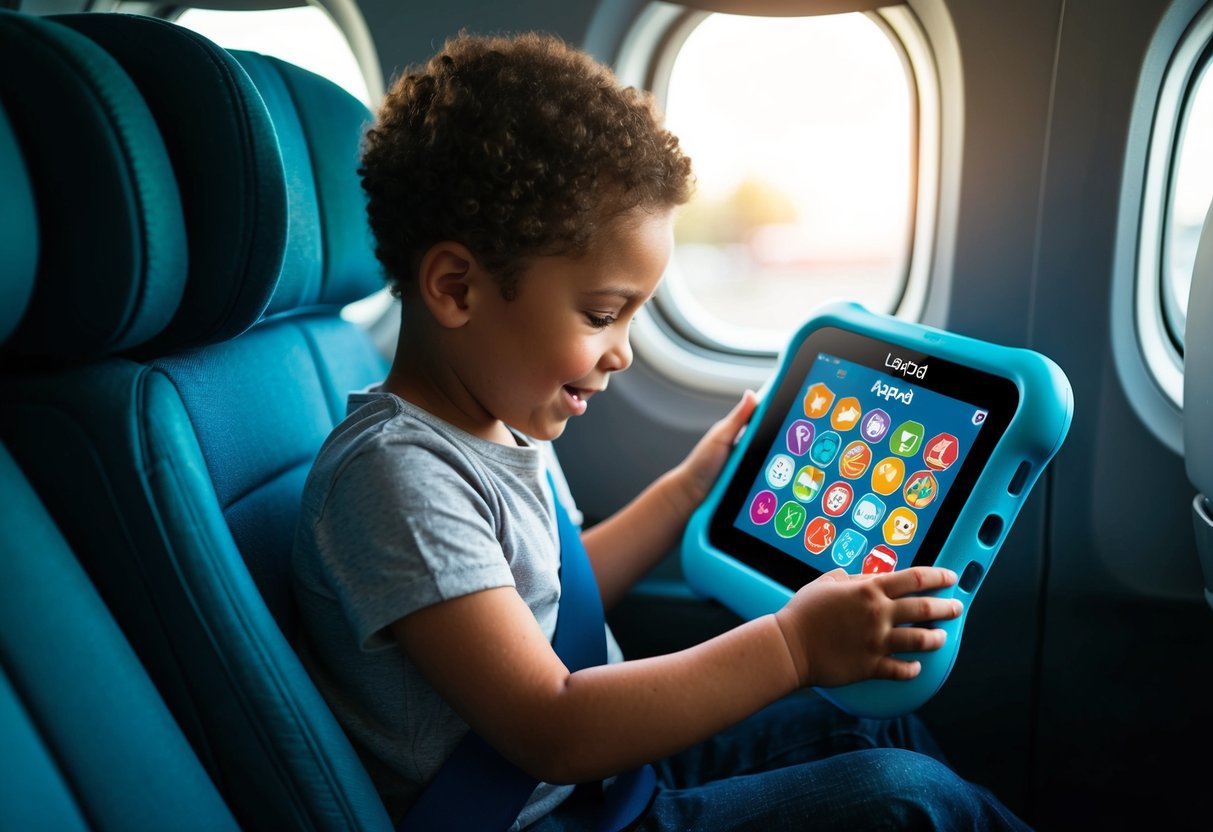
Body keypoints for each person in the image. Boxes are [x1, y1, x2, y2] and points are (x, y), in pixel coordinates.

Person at [292, 30, 1032, 831]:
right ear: (456, 288)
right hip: (544, 809)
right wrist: (792, 648)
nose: (624, 352)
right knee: (905, 803)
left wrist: (690, 486)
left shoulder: (498, 420)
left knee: (874, 723)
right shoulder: (398, 479)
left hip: (611, 776)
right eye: (603, 313)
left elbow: (560, 594)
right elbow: (552, 726)